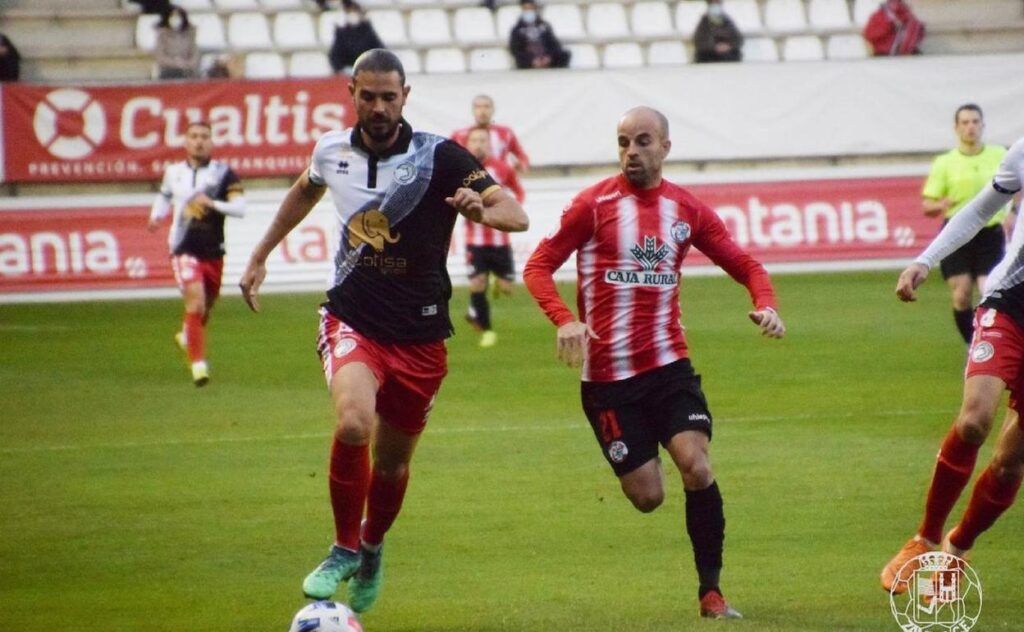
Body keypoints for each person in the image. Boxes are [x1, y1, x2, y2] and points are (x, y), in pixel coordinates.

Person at [238, 50, 528, 613]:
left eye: (388, 97)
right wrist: (259, 254)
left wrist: (481, 210)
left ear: (405, 96)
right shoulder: (331, 150)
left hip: (421, 335)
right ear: (351, 93)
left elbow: (515, 213)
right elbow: (305, 186)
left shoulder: (441, 157)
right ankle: (344, 546)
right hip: (354, 318)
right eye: (367, 96)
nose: (377, 107)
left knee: (392, 465)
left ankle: (371, 546)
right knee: (353, 422)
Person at [523, 106, 785, 620]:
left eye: (643, 141)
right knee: (648, 497)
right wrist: (563, 318)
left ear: (665, 147)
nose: (631, 152)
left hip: (668, 368)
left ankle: (711, 593)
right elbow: (538, 266)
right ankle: (644, 451)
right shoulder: (591, 205)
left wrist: (767, 302)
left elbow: (745, 263)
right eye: (623, 142)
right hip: (607, 382)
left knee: (697, 464)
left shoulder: (686, 210)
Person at [884, 137, 1024, 592]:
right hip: (1010, 304)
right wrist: (926, 260)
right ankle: (923, 537)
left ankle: (957, 548)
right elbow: (981, 208)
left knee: (1009, 463)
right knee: (973, 422)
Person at [147, 121, 246, 387]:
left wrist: (212, 203)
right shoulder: (173, 173)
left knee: (206, 306)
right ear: (185, 142)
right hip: (183, 247)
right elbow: (165, 196)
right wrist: (157, 216)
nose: (199, 141)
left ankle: (186, 335)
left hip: (214, 250)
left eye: (204, 136)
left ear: (211, 142)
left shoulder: (224, 174)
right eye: (193, 136)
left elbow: (241, 208)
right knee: (196, 303)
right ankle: (198, 365)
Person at [921, 104, 1011, 344]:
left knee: (989, 290)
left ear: (982, 126)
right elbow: (927, 205)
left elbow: (1016, 186)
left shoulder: (999, 154)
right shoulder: (945, 163)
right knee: (961, 294)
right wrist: (941, 204)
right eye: (965, 122)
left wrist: (1013, 212)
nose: (970, 127)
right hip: (957, 234)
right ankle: (974, 346)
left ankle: (996, 342)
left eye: (975, 122)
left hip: (990, 234)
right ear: (956, 128)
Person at [462, 126, 526, 348]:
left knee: (506, 288)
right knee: (477, 284)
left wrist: (506, 211)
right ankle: (486, 330)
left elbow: (519, 193)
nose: (478, 144)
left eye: (482, 140)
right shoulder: (460, 168)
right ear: (468, 144)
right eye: (474, 140)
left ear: (489, 144)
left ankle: (494, 282)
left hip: (500, 240)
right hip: (475, 241)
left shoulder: (501, 169)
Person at [451, 94, 531, 173]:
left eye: (486, 106)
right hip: (469, 180)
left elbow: (521, 156)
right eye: (478, 107)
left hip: (498, 181)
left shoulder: (505, 133)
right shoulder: (459, 135)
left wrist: (521, 165)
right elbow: (448, 158)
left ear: (493, 109)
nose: (482, 111)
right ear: (473, 110)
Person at [509, 1, 571, 70]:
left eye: (530, 9)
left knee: (565, 54)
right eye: (526, 9)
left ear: (534, 9)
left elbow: (553, 43)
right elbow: (515, 49)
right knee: (520, 59)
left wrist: (548, 57)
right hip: (530, 59)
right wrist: (532, 60)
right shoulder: (517, 29)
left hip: (545, 56)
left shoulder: (544, 25)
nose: (528, 11)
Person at [328, 1, 385, 75]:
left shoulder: (368, 31)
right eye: (349, 12)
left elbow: (380, 51)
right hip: (347, 73)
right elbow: (334, 56)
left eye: (354, 12)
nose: (352, 15)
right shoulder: (341, 33)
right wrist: (342, 69)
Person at [154, 5, 200, 80]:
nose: (175, 19)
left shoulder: (190, 34)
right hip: (168, 71)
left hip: (187, 70)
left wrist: (186, 64)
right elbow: (160, 57)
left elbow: (195, 54)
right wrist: (176, 63)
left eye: (178, 16)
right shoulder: (162, 35)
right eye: (173, 16)